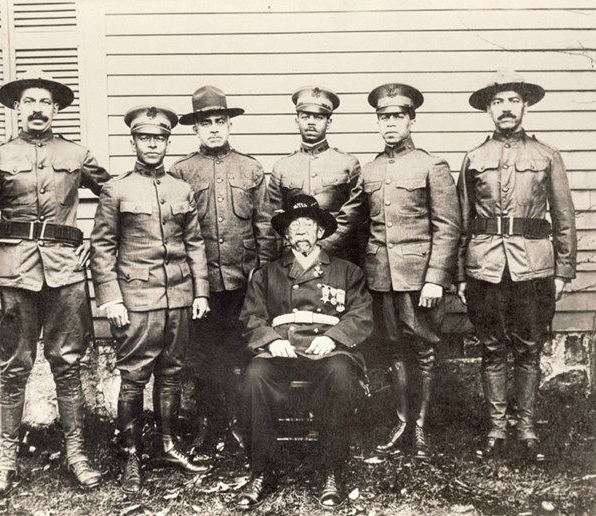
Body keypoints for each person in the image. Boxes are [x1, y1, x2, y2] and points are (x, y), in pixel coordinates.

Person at [0, 67, 110, 499]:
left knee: (68, 363)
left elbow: (118, 198)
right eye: (29, 101)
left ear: (57, 109)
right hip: (12, 274)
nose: (37, 109)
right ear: (16, 108)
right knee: (14, 368)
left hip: (66, 273)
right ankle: (6, 461)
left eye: (45, 102)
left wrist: (97, 245)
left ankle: (76, 455)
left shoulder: (78, 154)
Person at [331, 83, 461, 460]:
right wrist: (310, 247)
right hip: (380, 279)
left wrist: (436, 277)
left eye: (397, 117)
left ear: (411, 120)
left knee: (423, 349)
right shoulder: (369, 170)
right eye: (383, 117)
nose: (390, 124)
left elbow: (448, 227)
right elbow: (350, 220)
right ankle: (401, 422)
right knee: (393, 350)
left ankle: (420, 428)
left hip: (421, 280)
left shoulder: (430, 165)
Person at [456, 70, 577, 462]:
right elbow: (462, 219)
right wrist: (459, 273)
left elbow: (564, 216)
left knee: (528, 349)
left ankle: (525, 428)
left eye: (512, 101)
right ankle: (496, 429)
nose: (505, 109)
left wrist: (562, 271)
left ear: (524, 106)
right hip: (484, 267)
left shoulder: (546, 155)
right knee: (492, 348)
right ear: (488, 110)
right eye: (497, 102)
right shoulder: (474, 158)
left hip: (534, 268)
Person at [90, 105, 211, 495]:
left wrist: (200, 292)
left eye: (159, 139)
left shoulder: (180, 188)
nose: (152, 145)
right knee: (134, 378)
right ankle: (130, 454)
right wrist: (111, 299)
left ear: (167, 142)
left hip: (177, 296)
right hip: (136, 299)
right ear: (134, 142)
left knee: (172, 374)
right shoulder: (116, 189)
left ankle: (167, 446)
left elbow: (194, 244)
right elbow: (103, 248)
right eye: (145, 138)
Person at [236, 195, 373, 510]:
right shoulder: (266, 274)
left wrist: (335, 338)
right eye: (294, 226)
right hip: (282, 352)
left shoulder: (347, 272)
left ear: (321, 233)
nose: (300, 231)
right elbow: (251, 317)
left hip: (327, 351)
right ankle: (262, 471)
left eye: (308, 225)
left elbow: (361, 314)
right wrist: (270, 340)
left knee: (340, 375)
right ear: (286, 235)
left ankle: (331, 471)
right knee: (255, 376)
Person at [169, 85, 276, 452]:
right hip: (200, 284)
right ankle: (209, 424)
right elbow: (175, 230)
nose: (214, 129)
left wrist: (261, 277)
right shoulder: (181, 171)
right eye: (205, 123)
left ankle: (243, 422)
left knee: (244, 353)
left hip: (243, 280)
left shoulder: (250, 168)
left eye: (220, 121)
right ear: (195, 129)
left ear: (230, 125)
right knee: (202, 358)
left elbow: (264, 227)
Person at [268, 86, 362, 263]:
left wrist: (325, 244)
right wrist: (295, 246)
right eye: (305, 116)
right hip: (295, 256)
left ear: (329, 122)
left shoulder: (348, 163)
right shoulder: (282, 167)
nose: (311, 122)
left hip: (338, 256)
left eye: (319, 117)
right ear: (297, 121)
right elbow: (273, 215)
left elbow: (354, 212)